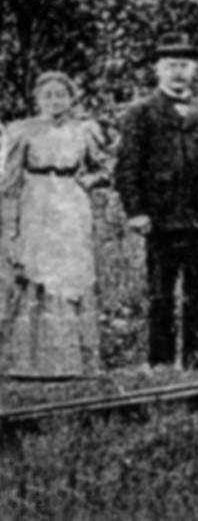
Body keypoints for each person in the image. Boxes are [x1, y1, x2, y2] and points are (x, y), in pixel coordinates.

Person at [113, 37, 198, 370]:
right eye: (170, 66)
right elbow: (127, 166)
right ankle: (161, 360)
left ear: (194, 70)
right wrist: (135, 211)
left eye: (183, 66)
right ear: (158, 70)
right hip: (161, 218)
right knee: (161, 292)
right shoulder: (141, 112)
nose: (177, 73)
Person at [2, 70, 112, 379]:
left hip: (71, 204)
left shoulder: (84, 131)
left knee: (72, 273)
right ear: (37, 99)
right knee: (37, 271)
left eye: (60, 95)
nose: (54, 101)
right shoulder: (22, 131)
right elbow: (9, 180)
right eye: (47, 96)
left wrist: (87, 181)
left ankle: (76, 361)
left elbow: (104, 169)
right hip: (36, 203)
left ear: (71, 99)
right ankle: (31, 362)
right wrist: (11, 225)